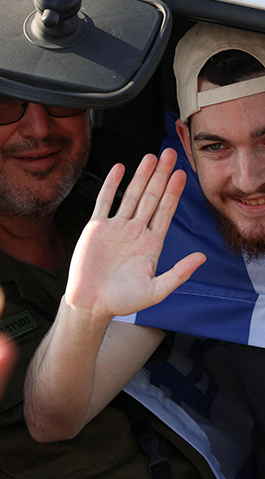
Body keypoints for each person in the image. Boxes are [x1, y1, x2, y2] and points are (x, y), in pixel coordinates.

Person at [25, 23, 265, 478]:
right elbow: (53, 421)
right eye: (216, 147)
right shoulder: (182, 231)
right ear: (187, 145)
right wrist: (83, 308)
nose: (248, 180)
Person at [0, 94, 211, 478]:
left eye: (59, 97)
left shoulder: (122, 211)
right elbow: (51, 422)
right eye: (2, 104)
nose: (39, 128)